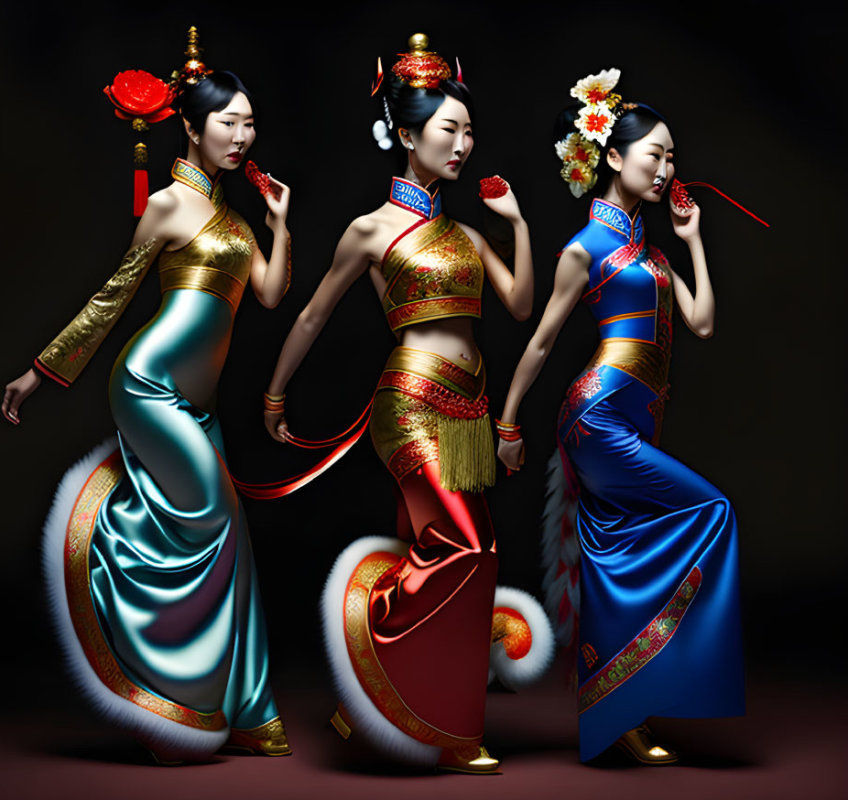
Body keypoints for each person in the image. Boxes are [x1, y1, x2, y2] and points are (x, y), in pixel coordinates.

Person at [0, 29, 294, 763]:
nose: (242, 134)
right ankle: (171, 702)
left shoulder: (232, 216)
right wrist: (43, 370)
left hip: (197, 404)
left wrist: (280, 225)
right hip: (150, 385)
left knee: (235, 542)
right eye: (227, 121)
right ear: (189, 128)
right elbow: (112, 297)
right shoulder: (167, 205)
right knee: (218, 517)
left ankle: (249, 709)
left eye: (249, 122)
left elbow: (269, 291)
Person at [263, 34, 543, 774]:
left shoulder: (465, 232)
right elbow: (314, 314)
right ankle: (421, 707)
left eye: (469, 132)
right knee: (466, 550)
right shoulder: (371, 231)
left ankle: (384, 705)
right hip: (411, 405)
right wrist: (275, 390)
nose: (463, 144)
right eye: (449, 130)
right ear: (408, 134)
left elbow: (518, 304)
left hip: (469, 408)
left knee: (456, 555)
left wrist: (516, 224)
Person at [496, 68, 744, 764]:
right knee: (710, 511)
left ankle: (620, 710)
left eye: (671, 157)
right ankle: (625, 706)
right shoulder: (587, 248)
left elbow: (699, 324)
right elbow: (542, 338)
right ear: (611, 156)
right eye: (654, 155)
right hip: (597, 419)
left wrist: (691, 240)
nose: (667, 168)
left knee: (616, 559)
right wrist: (509, 423)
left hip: (637, 422)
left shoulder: (657, 251)